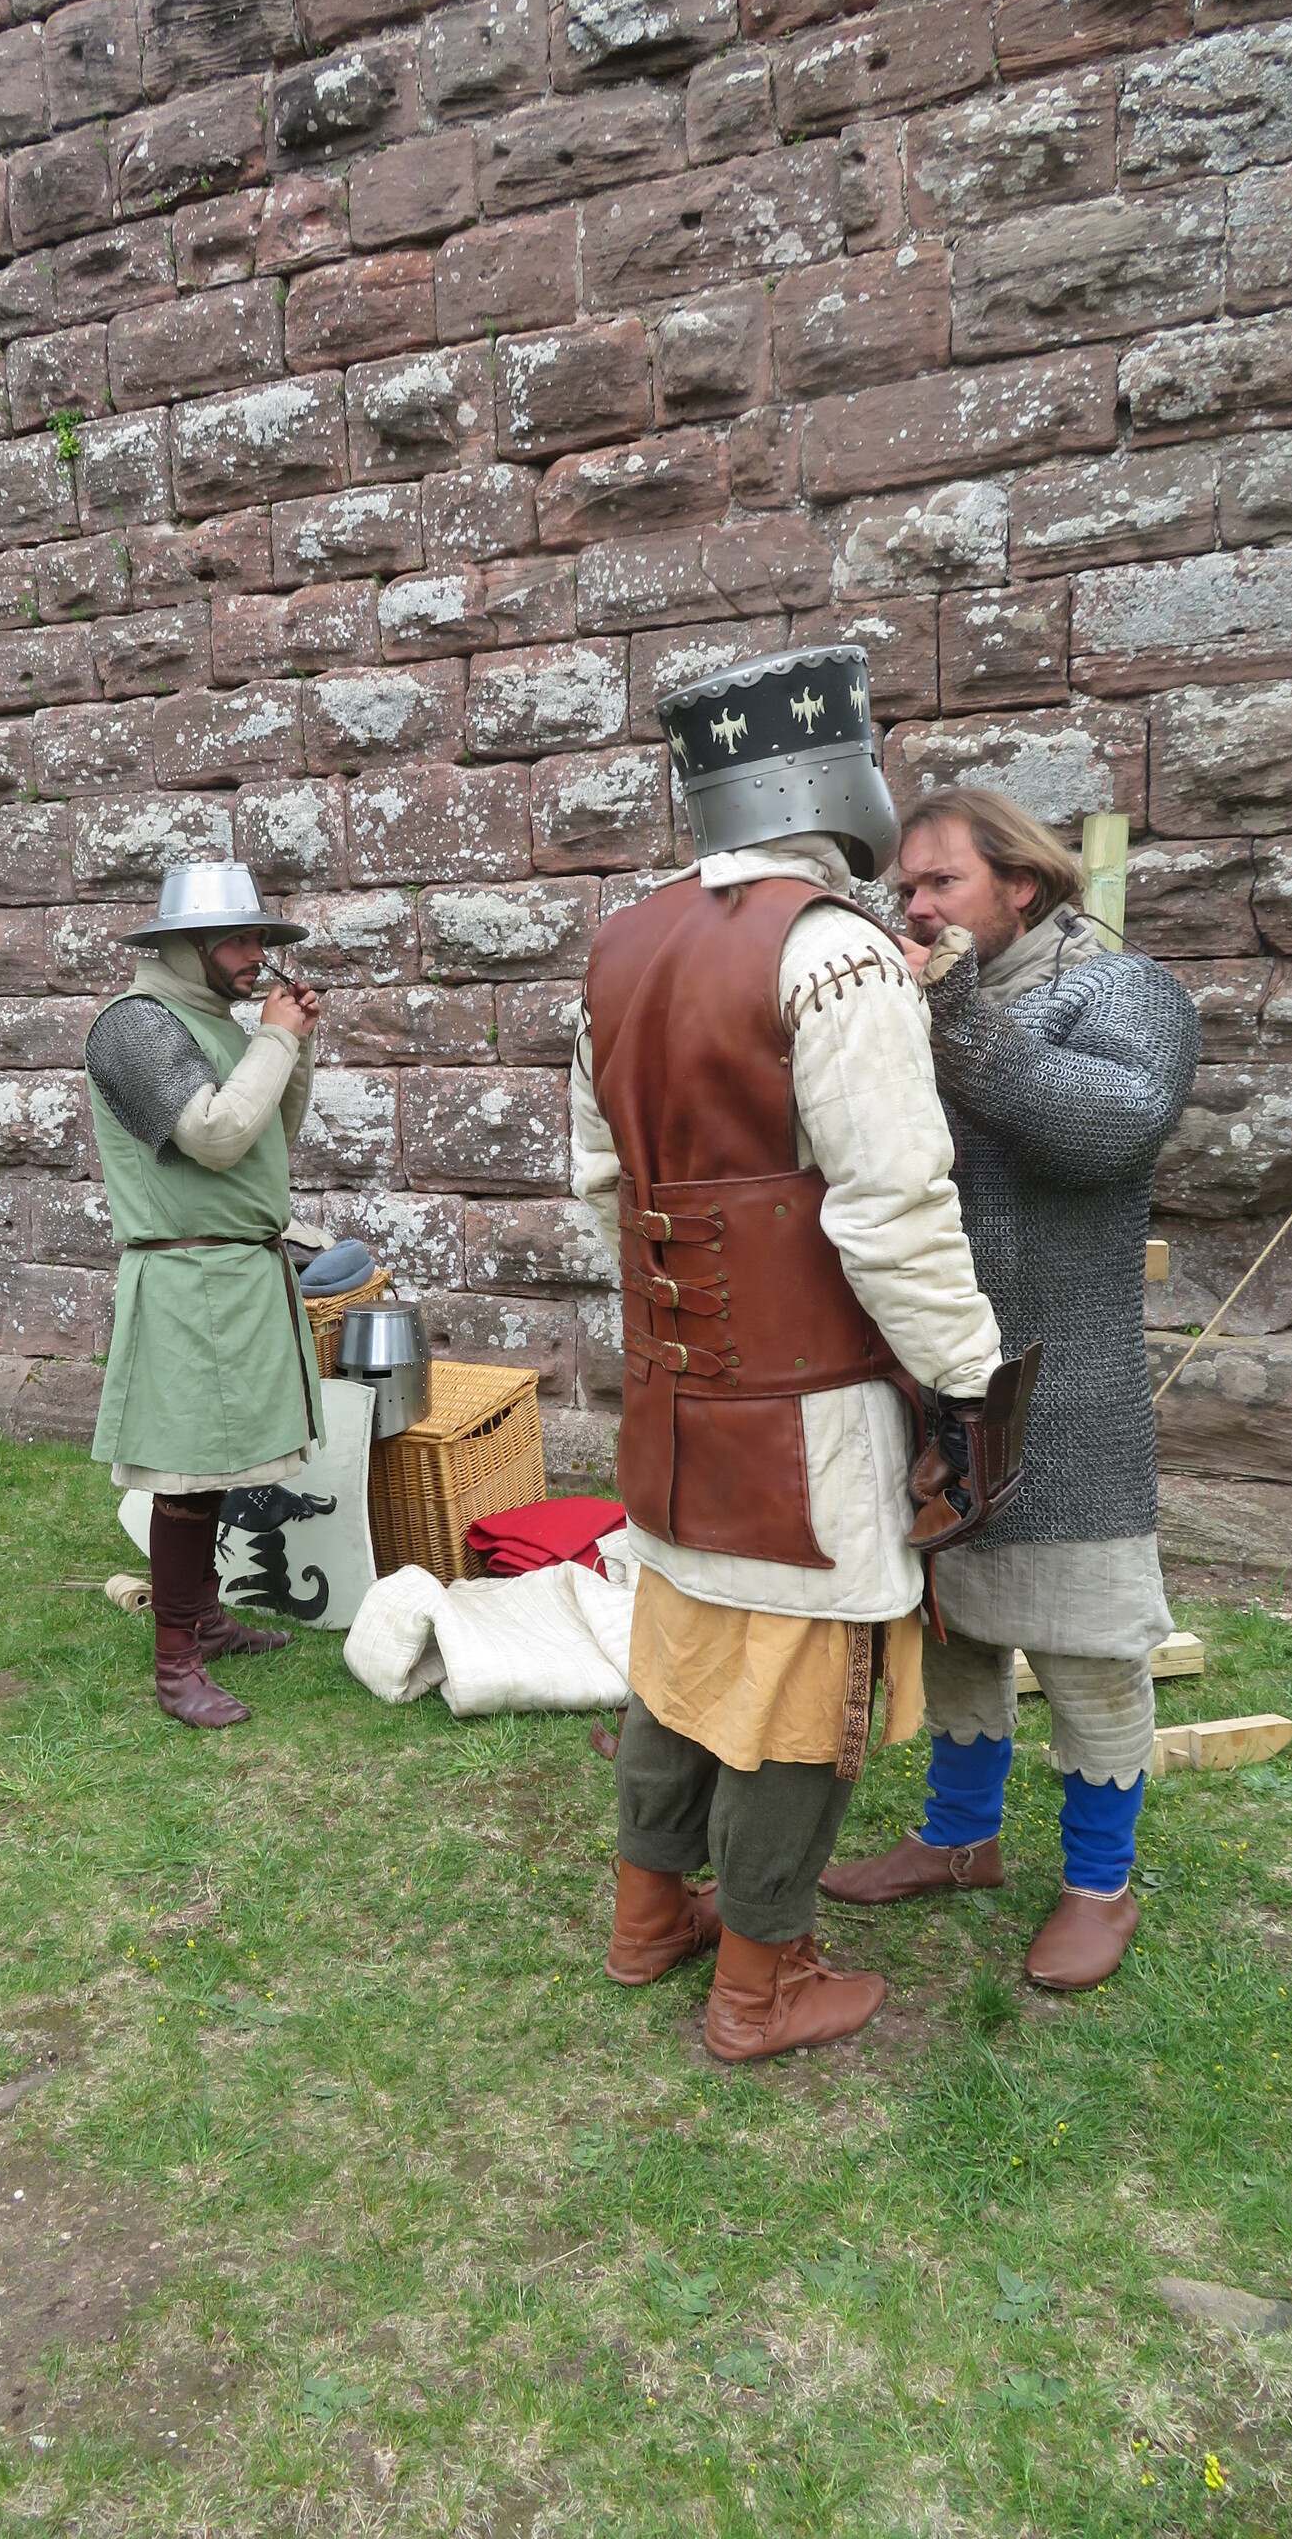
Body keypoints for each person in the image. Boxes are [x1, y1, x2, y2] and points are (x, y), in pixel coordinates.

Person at [572, 647, 1006, 2063]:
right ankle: (763, 1984)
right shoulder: (836, 952)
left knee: (683, 1651)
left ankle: (650, 1919)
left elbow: (602, 1186)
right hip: (806, 1409)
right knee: (806, 1688)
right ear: (834, 774)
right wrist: (966, 1373)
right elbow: (892, 1209)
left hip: (676, 1401)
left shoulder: (622, 945)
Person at [821, 788, 1201, 1988]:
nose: (917, 905)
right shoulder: (918, 1000)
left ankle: (1098, 1883)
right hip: (937, 1374)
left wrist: (954, 1018)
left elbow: (1110, 1129)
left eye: (942, 882)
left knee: (1088, 1647)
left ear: (1021, 884)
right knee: (960, 1631)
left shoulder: (1122, 992)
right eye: (907, 888)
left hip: (1066, 1387)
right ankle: (958, 1838)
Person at [84, 861, 326, 1731]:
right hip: (189, 1281)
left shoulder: (215, 1024)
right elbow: (217, 1137)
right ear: (185, 945)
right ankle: (175, 1663)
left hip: (237, 1274)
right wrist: (275, 1039)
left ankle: (208, 1621)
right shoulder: (133, 1025)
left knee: (220, 1465)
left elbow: (266, 1136)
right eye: (239, 939)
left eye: (261, 937)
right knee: (187, 1478)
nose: (256, 954)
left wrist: (293, 1045)